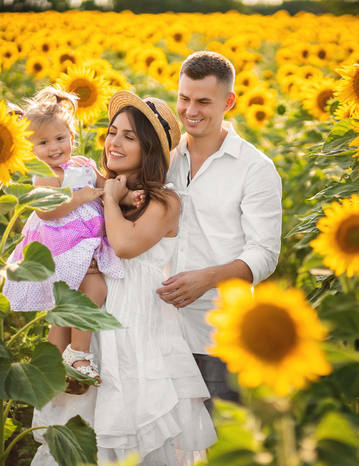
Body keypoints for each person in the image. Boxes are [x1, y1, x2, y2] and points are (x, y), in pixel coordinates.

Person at [31, 90, 216, 465]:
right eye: (112, 131)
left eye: (129, 136)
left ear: (148, 149)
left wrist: (110, 199)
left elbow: (125, 245)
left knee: (128, 423)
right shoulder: (98, 187)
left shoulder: (164, 200)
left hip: (132, 325)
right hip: (89, 321)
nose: (114, 142)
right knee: (78, 427)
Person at [156, 51, 282, 407]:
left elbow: (265, 254)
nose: (190, 111)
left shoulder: (255, 168)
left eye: (203, 102)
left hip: (221, 333)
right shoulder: (165, 157)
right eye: (183, 98)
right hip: (161, 326)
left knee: (224, 442)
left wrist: (207, 278)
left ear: (229, 101)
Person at [3, 87, 141, 392]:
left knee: (64, 312)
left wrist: (129, 196)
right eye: (42, 142)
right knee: (92, 291)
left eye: (59, 139)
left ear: (72, 136)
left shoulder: (84, 165)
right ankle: (79, 357)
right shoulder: (45, 176)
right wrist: (77, 199)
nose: (53, 148)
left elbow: (107, 188)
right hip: (59, 246)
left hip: (84, 241)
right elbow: (45, 212)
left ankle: (52, 367)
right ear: (30, 147)